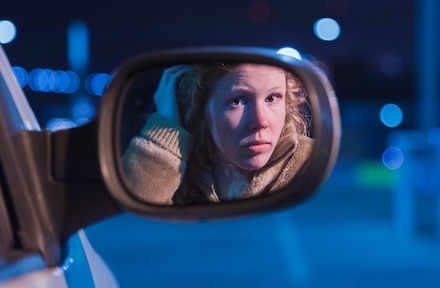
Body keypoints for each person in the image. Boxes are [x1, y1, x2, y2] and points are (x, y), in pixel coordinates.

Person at [122, 61, 313, 204]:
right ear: (200, 107)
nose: (260, 121)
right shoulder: (182, 169)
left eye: (272, 98)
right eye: (237, 101)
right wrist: (165, 130)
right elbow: (130, 226)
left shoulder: (311, 162)